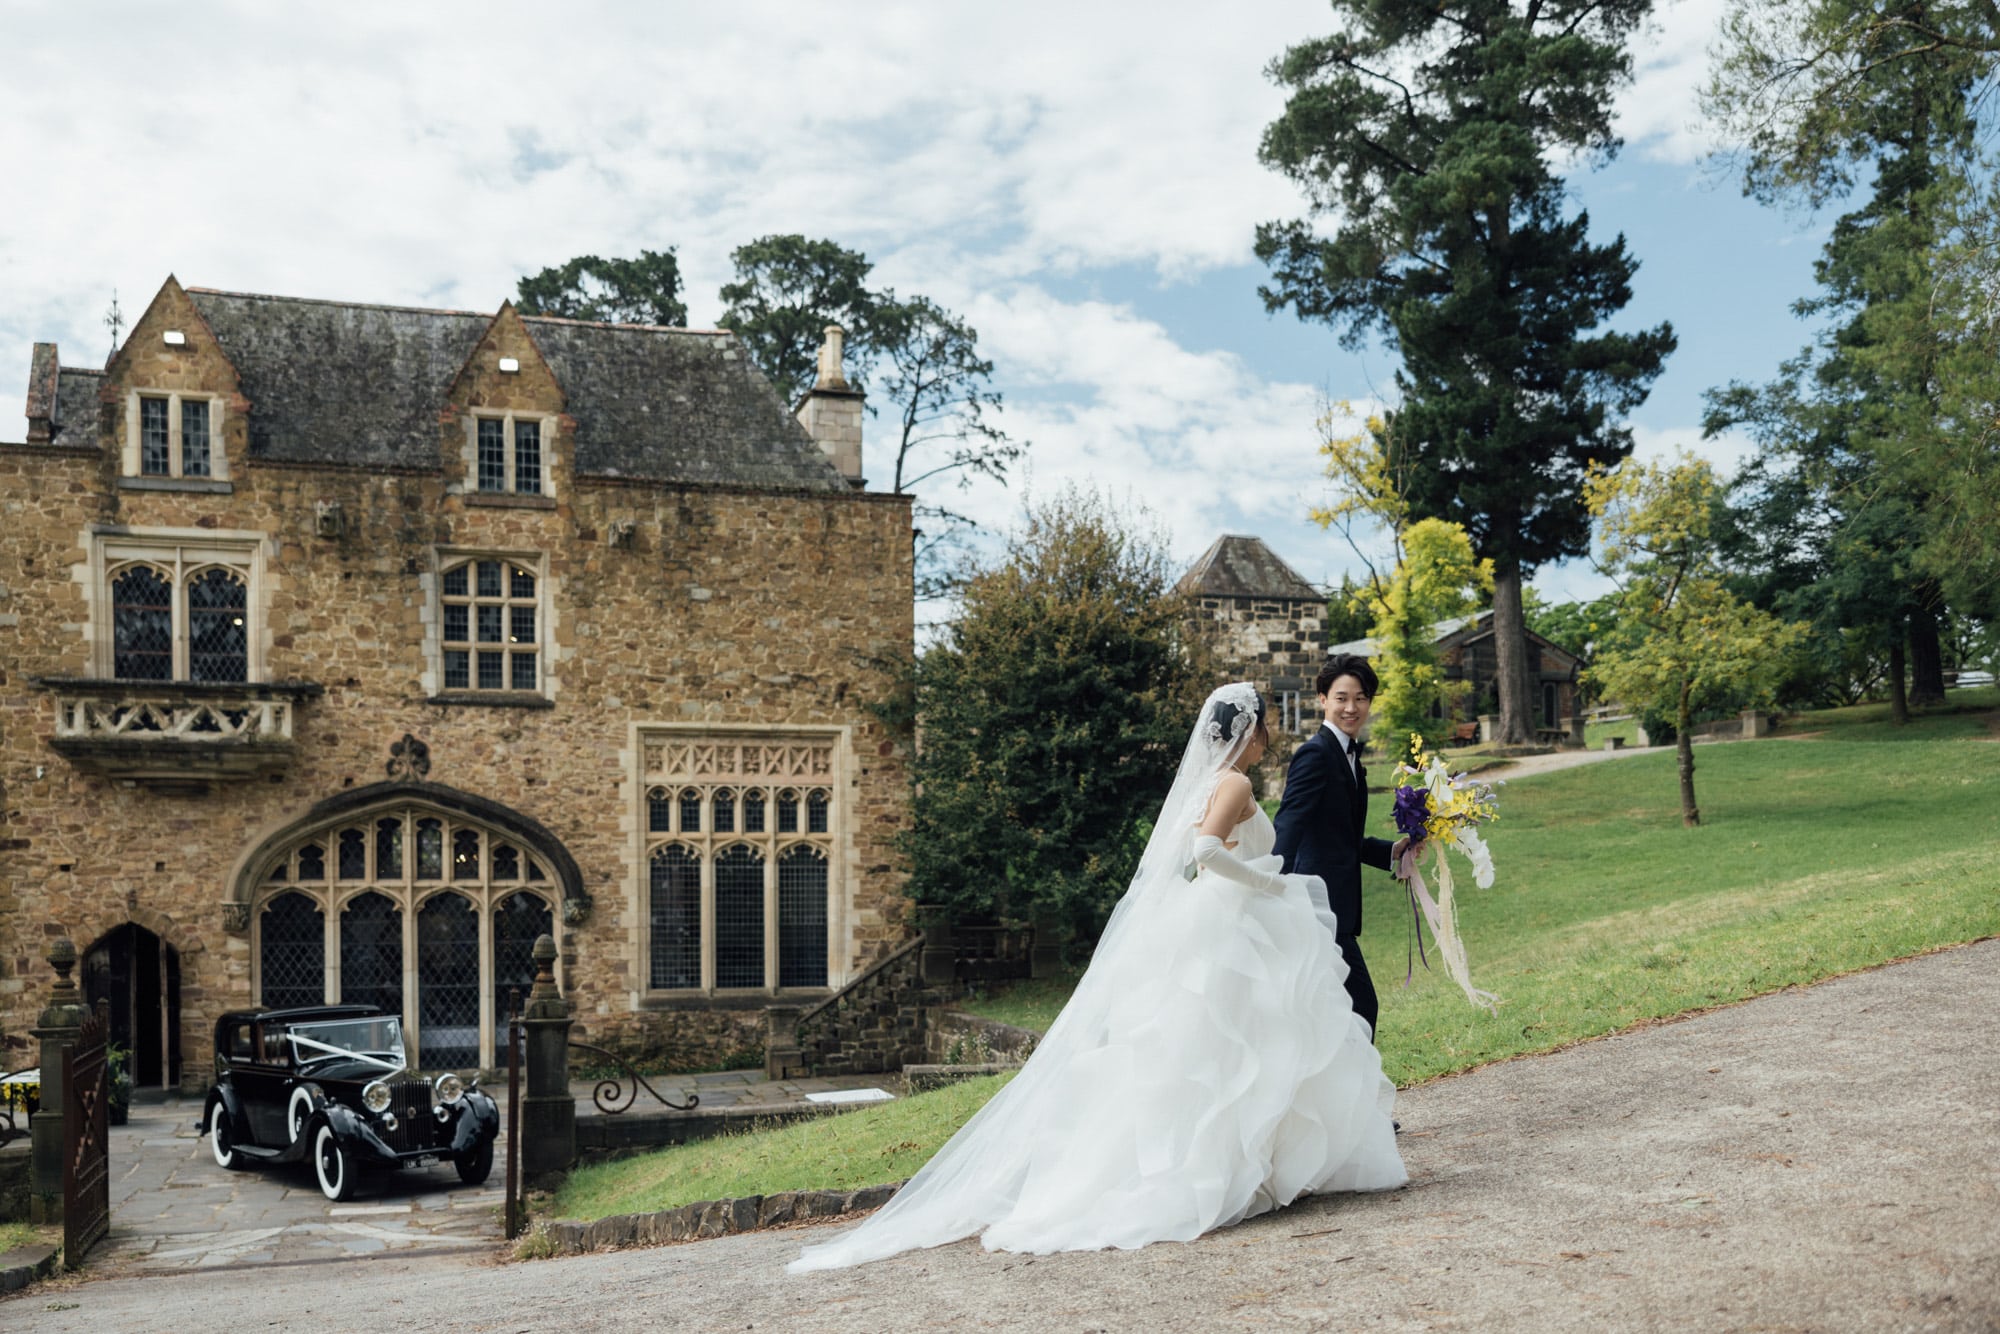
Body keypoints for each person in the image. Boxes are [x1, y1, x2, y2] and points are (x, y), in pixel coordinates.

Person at [788, 682, 1405, 1273]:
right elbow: (1206, 853)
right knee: (1242, 1044)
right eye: (1266, 723)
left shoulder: (1209, 782)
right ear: (1249, 731)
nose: (1271, 735)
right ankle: (1237, 1172)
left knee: (1234, 1048)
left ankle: (1257, 1169)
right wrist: (1273, 884)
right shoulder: (1235, 781)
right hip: (1236, 920)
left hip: (1224, 921)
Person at [1272, 654, 1421, 1043]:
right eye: (1341, 697)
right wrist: (1271, 887)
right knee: (1359, 1007)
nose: (1351, 708)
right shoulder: (1316, 754)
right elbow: (1288, 825)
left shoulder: (1350, 757)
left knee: (1335, 1013)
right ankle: (1353, 1101)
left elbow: (1343, 840)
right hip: (1314, 908)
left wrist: (1393, 850)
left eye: (1360, 698)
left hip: (1335, 910)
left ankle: (1337, 1101)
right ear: (1323, 699)